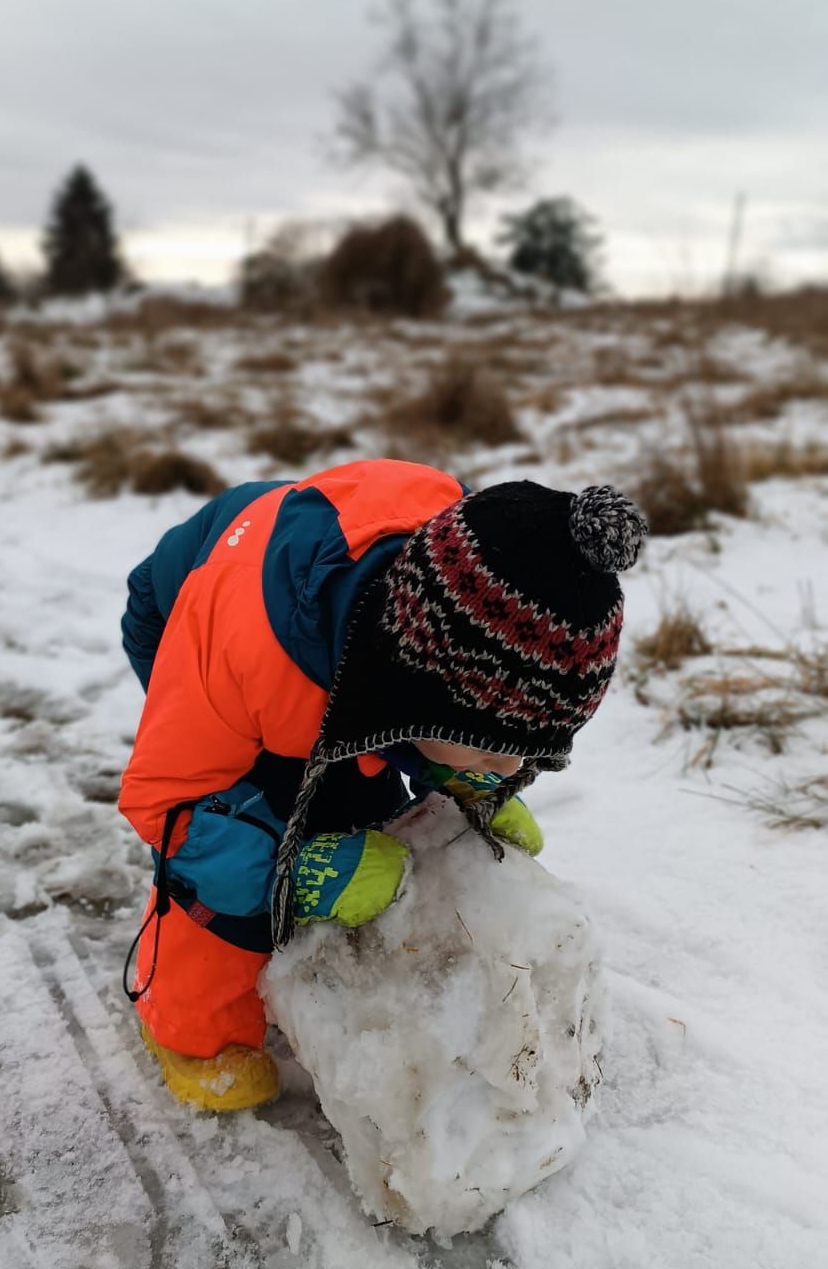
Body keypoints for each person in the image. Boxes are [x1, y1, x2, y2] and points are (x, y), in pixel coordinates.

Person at [118, 459, 646, 1112]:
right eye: (492, 748)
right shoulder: (244, 651)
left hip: (349, 647)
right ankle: (188, 1026)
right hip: (200, 616)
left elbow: (456, 711)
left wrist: (469, 784)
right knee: (239, 845)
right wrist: (292, 875)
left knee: (360, 811)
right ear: (416, 691)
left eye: (527, 752)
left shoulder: (481, 576)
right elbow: (165, 802)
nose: (510, 769)